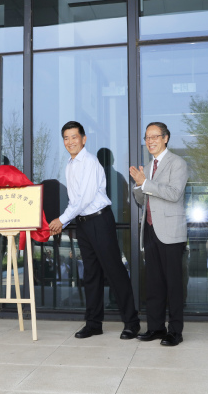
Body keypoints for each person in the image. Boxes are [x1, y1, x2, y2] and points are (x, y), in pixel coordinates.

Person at [48, 121, 141, 340]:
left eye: (74, 137)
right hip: (83, 223)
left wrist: (61, 220)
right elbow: (74, 201)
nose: (70, 142)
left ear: (84, 139)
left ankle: (132, 323)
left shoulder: (89, 162)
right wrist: (67, 220)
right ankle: (93, 324)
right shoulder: (70, 165)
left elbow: (84, 199)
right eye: (66, 138)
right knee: (91, 274)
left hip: (99, 221)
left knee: (114, 271)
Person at [129, 122, 188, 346]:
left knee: (173, 284)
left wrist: (145, 183)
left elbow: (174, 194)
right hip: (150, 229)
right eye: (147, 137)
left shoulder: (177, 163)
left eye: (155, 136)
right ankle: (155, 327)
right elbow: (142, 200)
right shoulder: (147, 166)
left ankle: (175, 331)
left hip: (170, 231)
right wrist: (138, 186)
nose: (150, 141)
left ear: (165, 138)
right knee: (153, 283)